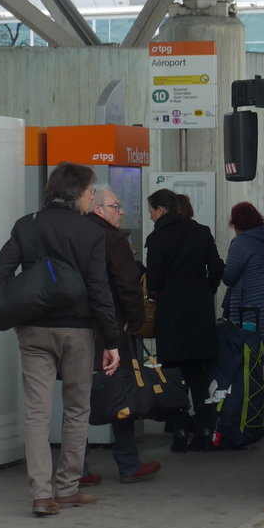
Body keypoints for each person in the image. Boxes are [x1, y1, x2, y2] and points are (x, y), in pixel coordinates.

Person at [0, 162, 119, 517]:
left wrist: (18, 315)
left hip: (33, 330)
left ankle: (41, 495)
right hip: (78, 331)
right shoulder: (91, 232)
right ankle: (67, 488)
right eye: (92, 192)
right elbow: (98, 289)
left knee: (37, 412)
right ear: (78, 192)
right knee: (77, 409)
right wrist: (111, 341)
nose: (92, 198)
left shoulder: (26, 225)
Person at [80, 187, 162, 486]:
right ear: (98, 209)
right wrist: (136, 320)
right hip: (112, 329)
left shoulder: (77, 235)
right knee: (121, 396)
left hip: (78, 329)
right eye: (116, 206)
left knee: (77, 400)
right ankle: (129, 465)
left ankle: (78, 470)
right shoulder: (112, 240)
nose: (122, 211)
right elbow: (128, 285)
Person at [145, 188, 224, 451]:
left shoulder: (157, 239)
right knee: (198, 372)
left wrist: (159, 291)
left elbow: (153, 281)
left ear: (161, 210)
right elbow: (216, 268)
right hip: (199, 310)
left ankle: (180, 429)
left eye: (151, 212)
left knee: (172, 374)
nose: (151, 217)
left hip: (171, 311)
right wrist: (206, 289)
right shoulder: (201, 232)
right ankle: (204, 427)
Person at [221, 201, 264, 340]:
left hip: (249, 308)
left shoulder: (241, 242)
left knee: (249, 347)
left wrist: (219, 266)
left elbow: (229, 277)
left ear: (237, 223)